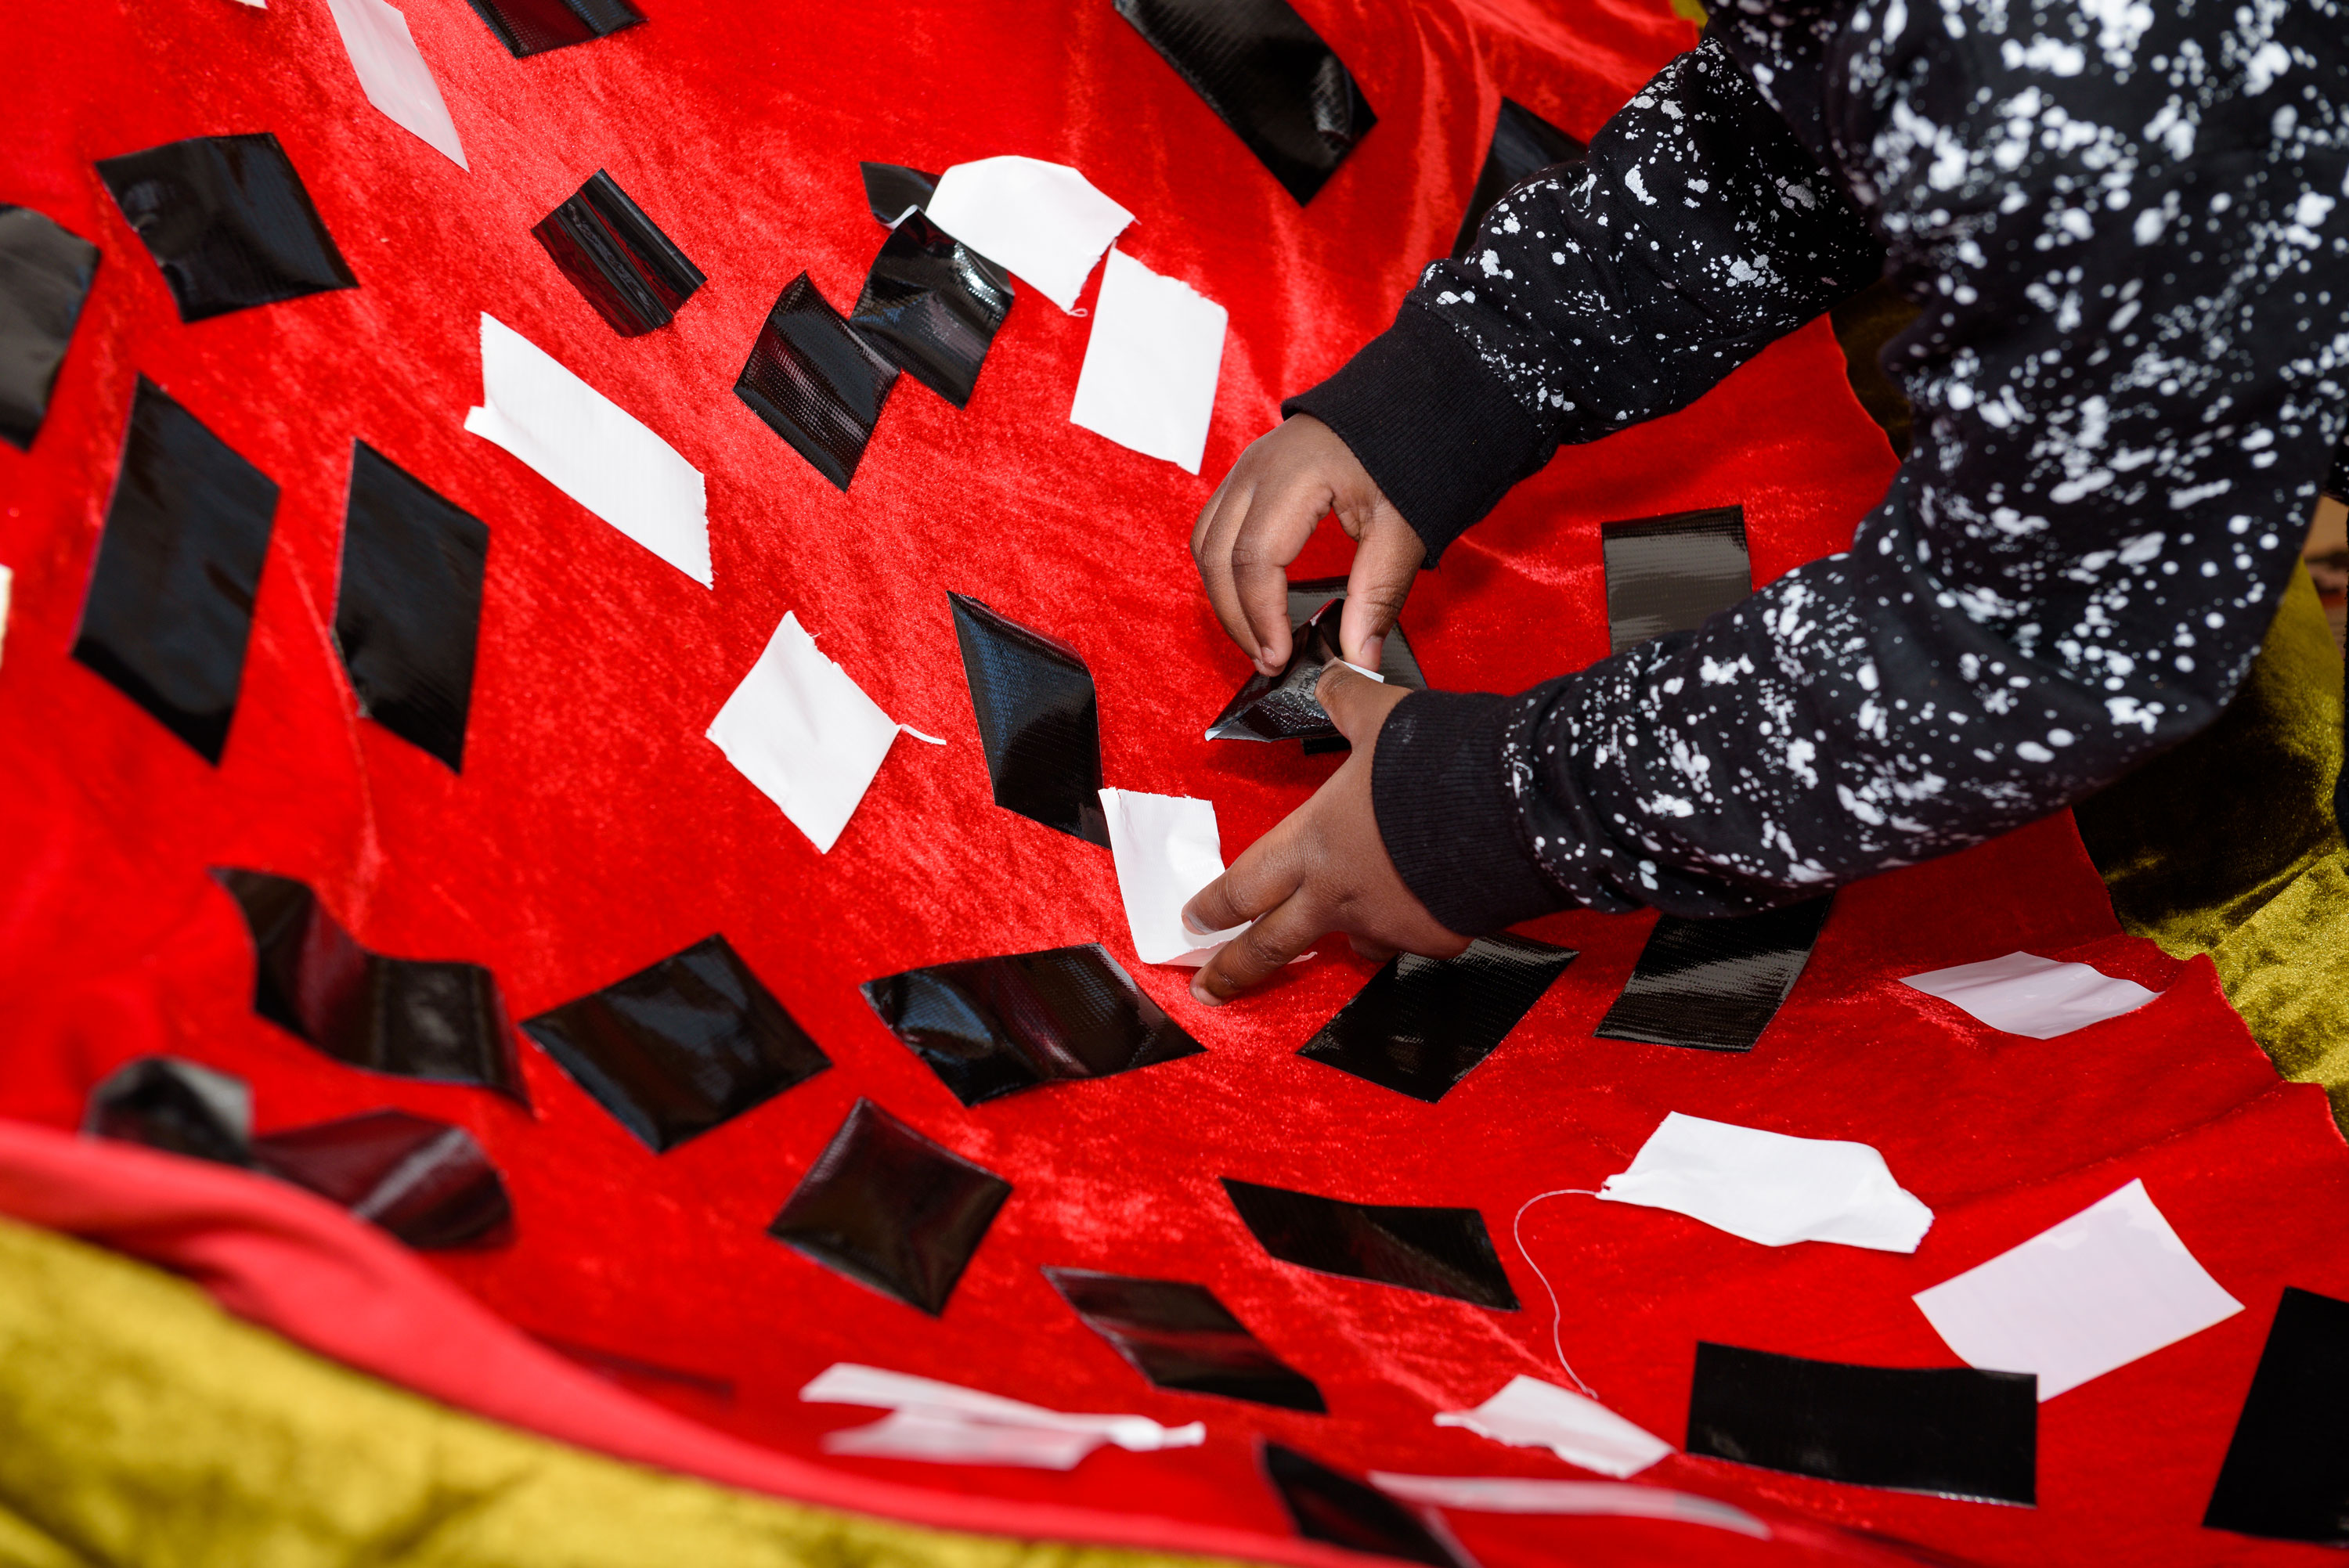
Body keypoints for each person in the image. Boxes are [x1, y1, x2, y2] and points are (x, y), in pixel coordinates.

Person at [1180, 0, 2349, 1006]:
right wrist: (1468, 376)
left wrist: (1509, 804)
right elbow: (1799, 123)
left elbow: (2041, 629)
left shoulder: (2087, 76)